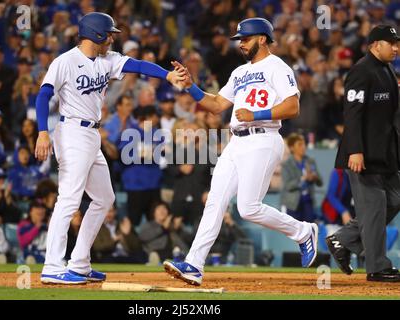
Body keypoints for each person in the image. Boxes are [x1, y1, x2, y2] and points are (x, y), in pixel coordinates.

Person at [164, 18, 318, 286]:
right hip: (236, 142)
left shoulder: (277, 67)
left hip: (264, 138)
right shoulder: (239, 72)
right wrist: (191, 86)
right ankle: (194, 264)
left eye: (245, 39)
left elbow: (293, 107)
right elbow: (216, 104)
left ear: (261, 38)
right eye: (239, 40)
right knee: (214, 201)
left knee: (248, 208)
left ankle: (303, 231)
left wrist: (256, 114)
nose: (241, 44)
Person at [34, 12, 184, 284]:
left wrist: (167, 76)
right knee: (69, 199)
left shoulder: (107, 60)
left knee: (104, 198)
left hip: (92, 134)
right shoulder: (65, 61)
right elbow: (44, 95)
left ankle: (79, 263)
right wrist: (42, 132)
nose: (113, 37)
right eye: (110, 33)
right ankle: (52, 267)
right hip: (70, 132)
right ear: (97, 34)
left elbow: (139, 65)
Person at [327, 25, 400, 282]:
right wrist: (355, 150)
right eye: (391, 43)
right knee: (375, 206)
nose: (396, 47)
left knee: (393, 200)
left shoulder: (387, 70)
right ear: (374, 44)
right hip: (363, 155)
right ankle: (377, 267)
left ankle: (342, 238)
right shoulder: (361, 71)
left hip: (385, 154)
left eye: (397, 43)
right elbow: (352, 114)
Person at [280, 133, 322, 223]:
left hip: (308, 203)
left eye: (304, 144)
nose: (303, 147)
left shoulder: (310, 161)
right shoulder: (286, 164)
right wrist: (303, 179)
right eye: (299, 144)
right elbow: (288, 185)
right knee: (295, 234)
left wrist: (314, 177)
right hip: (293, 204)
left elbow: (320, 182)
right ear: (291, 148)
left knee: (310, 231)